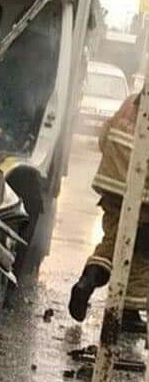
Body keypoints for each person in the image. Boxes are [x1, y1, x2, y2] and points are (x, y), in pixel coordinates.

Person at [69, 93, 149, 333]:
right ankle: (127, 309)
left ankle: (88, 281)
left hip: (112, 185)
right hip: (140, 194)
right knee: (142, 249)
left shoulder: (130, 102)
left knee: (113, 240)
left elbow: (104, 137)